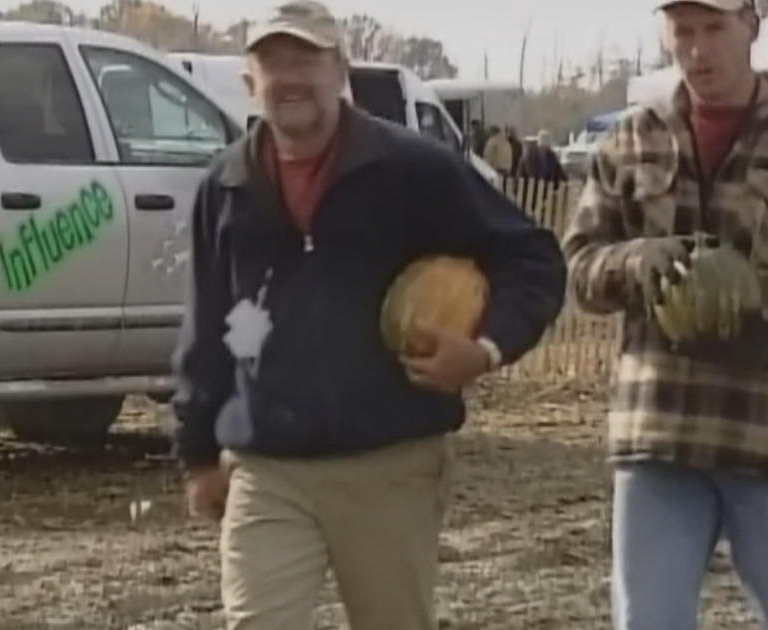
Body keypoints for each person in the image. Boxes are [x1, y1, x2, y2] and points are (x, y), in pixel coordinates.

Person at [172, 2, 567, 629]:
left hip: (389, 462)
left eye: (307, 59)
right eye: (273, 63)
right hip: (267, 468)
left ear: (341, 70)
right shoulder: (225, 188)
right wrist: (197, 454)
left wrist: (488, 347)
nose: (290, 78)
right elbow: (207, 325)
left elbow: (532, 257)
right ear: (249, 82)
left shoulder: (412, 169)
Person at [562, 1, 768, 629]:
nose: (698, 49)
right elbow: (580, 266)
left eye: (714, 28)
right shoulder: (633, 137)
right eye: (683, 31)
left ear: (751, 23)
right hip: (660, 432)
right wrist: (635, 260)